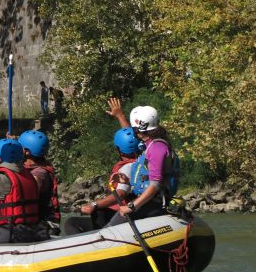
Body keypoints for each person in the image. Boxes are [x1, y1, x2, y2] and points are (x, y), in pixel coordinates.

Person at [107, 99, 179, 227]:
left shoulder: (157, 148)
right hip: (148, 201)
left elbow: (155, 184)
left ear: (140, 128)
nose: (132, 130)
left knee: (113, 224)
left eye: (133, 127)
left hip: (154, 204)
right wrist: (128, 180)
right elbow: (130, 136)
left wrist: (132, 206)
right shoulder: (148, 144)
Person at [64, 123, 140, 234]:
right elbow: (131, 138)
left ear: (118, 149)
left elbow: (120, 193)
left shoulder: (127, 168)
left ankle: (95, 246)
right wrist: (120, 116)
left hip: (119, 214)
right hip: (128, 211)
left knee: (73, 222)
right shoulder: (140, 161)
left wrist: (94, 205)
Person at [18, 129, 61, 232]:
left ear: (27, 151)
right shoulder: (41, 163)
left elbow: (29, 191)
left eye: (19, 147)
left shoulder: (39, 173)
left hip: (43, 224)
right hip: (36, 221)